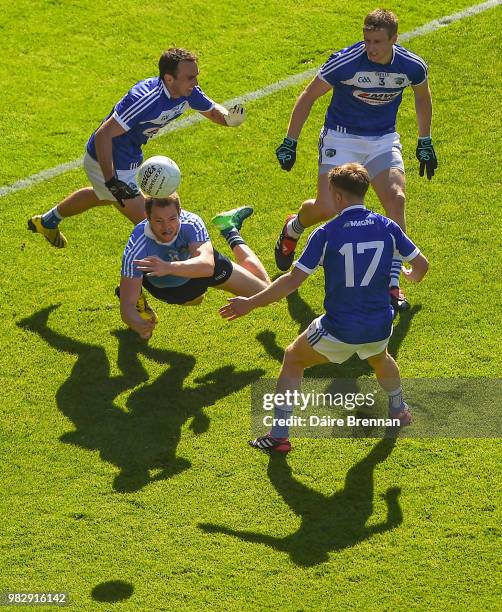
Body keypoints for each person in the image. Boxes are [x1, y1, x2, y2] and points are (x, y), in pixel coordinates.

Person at [220, 163, 429, 453]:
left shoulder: (326, 233)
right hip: (380, 324)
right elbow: (421, 265)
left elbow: (292, 282)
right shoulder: (388, 227)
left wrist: (250, 303)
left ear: (338, 197)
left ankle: (278, 435)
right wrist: (410, 276)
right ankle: (398, 409)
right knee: (380, 357)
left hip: (339, 329)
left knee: (293, 358)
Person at [274, 8, 436, 312]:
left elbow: (422, 96)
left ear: (394, 39)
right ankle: (293, 228)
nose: (371, 48)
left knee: (396, 199)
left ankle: (391, 284)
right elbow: (309, 95)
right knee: (327, 208)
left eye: (377, 41)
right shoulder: (346, 61)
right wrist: (289, 141)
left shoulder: (411, 66)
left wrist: (424, 139)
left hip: (383, 138)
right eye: (367, 40)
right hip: (341, 137)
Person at [28, 47, 245, 248]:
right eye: (191, 77)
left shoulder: (188, 92)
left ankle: (47, 221)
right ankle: (132, 287)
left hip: (130, 157)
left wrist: (229, 119)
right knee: (157, 228)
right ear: (169, 78)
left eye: (196, 75)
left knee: (102, 196)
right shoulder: (146, 99)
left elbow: (212, 111)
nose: (196, 82)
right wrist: (112, 180)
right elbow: (103, 135)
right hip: (108, 160)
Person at [119, 194, 270, 339]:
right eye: (159, 221)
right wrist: (137, 323)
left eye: (172, 218)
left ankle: (229, 229)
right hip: (170, 287)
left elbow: (207, 266)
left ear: (180, 212)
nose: (167, 227)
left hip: (201, 268)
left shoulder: (191, 222)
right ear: (147, 216)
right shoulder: (136, 248)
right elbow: (126, 306)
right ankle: (137, 293)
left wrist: (168, 267)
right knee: (196, 300)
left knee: (266, 294)